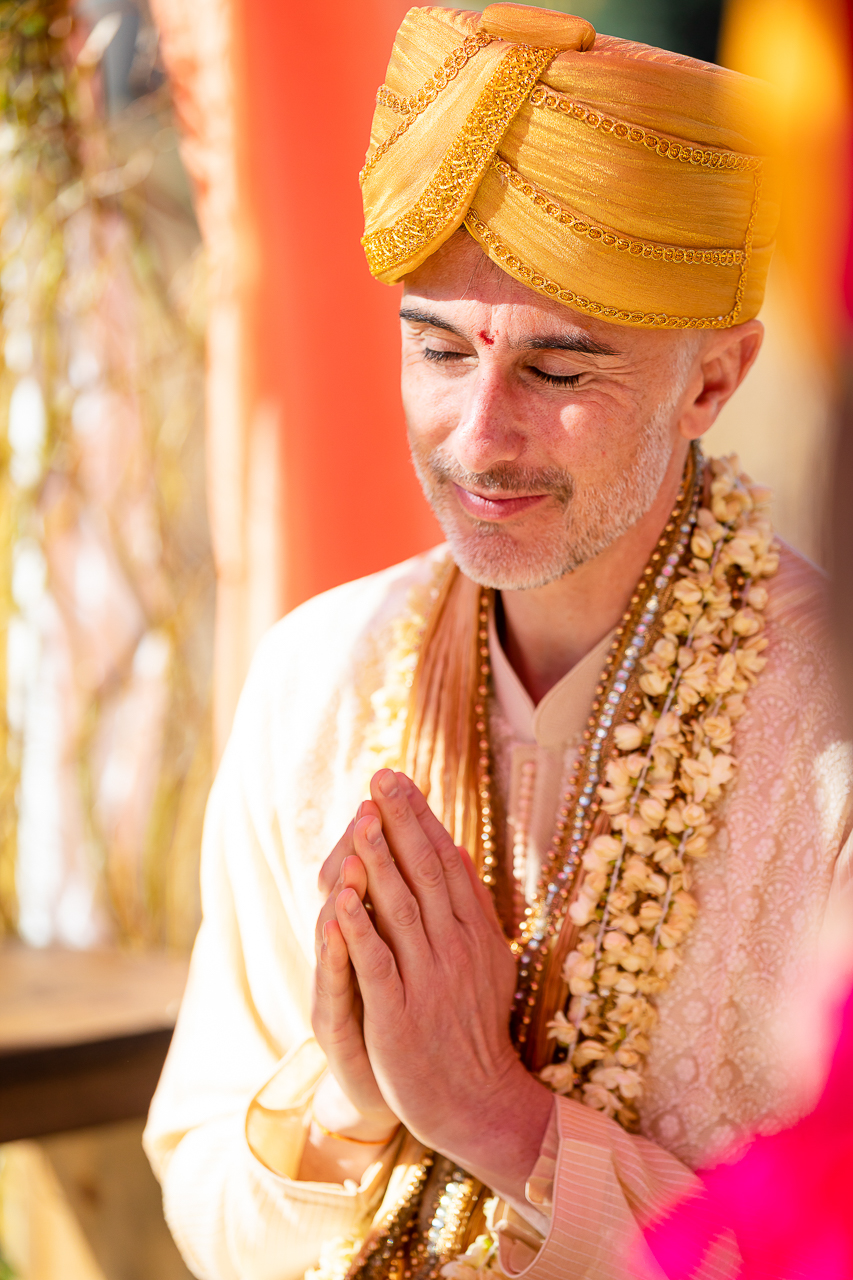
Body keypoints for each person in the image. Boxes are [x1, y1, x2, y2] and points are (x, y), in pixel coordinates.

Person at [144, 6, 852, 1279]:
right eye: (436, 347)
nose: (478, 437)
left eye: (560, 370)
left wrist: (494, 1116)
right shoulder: (316, 679)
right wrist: (351, 1107)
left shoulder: (829, 734)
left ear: (711, 381)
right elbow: (199, 1173)